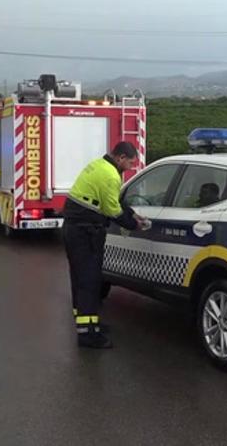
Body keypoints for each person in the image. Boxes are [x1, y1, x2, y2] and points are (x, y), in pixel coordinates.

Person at [63, 141, 146, 349]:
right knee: (89, 281)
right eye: (131, 163)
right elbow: (112, 210)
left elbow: (115, 201)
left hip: (76, 228)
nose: (131, 167)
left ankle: (89, 322)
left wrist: (133, 213)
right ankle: (88, 335)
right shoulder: (110, 175)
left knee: (80, 278)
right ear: (120, 158)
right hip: (86, 231)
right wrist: (134, 224)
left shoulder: (100, 165)